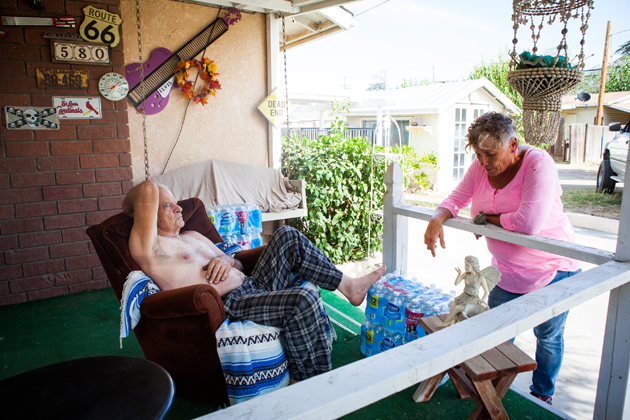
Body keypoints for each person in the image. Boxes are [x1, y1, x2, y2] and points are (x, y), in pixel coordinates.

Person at [122, 180, 385, 382]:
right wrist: (148, 200)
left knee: (287, 235)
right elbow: (146, 189)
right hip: (231, 304)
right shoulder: (150, 249)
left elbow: (235, 262)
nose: (179, 208)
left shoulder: (192, 235)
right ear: (146, 215)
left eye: (175, 201)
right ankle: (311, 384)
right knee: (303, 299)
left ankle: (348, 286)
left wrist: (226, 261)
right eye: (167, 205)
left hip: (252, 287)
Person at [423, 112, 581, 405]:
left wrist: (487, 218)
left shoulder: (537, 163)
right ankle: (490, 388)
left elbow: (528, 223)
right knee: (495, 334)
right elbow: (456, 199)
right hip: (507, 271)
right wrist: (436, 218)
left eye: (491, 154)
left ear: (513, 145)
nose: (483, 162)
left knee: (547, 338)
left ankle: (541, 394)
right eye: (479, 154)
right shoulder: (481, 165)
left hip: (553, 268)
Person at [436, 255, 500, 328]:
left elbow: (486, 292)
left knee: (457, 308)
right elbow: (456, 283)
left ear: (473, 266)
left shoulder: (480, 277)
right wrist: (459, 274)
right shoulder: (466, 275)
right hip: (464, 296)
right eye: (465, 265)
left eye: (468, 265)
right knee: (452, 304)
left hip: (472, 299)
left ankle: (445, 323)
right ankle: (451, 323)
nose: (465, 267)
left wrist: (481, 301)